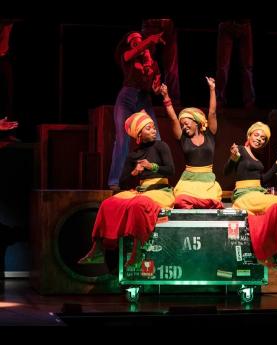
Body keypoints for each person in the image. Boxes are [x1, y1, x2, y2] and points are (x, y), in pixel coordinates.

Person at [79, 111, 175, 266]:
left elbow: (171, 170)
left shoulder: (161, 146)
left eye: (153, 127)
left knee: (138, 205)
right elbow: (122, 182)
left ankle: (138, 253)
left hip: (161, 191)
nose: (154, 130)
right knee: (108, 204)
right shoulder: (133, 155)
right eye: (148, 128)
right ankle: (98, 249)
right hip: (141, 191)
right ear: (139, 134)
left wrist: (152, 166)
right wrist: (134, 172)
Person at [224, 122, 277, 267]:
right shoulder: (240, 150)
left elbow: (261, 180)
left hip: (257, 194)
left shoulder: (257, 157)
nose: (259, 139)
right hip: (245, 195)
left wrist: (276, 165)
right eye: (256, 135)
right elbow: (226, 172)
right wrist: (233, 158)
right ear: (249, 135)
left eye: (263, 138)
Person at [107, 30, 165, 191]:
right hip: (126, 98)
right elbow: (133, 52)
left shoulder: (154, 64)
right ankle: (115, 181)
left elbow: (156, 87)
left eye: (139, 40)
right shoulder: (129, 58)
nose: (137, 44)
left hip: (144, 100)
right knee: (122, 140)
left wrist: (157, 88)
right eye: (134, 41)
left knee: (156, 138)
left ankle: (157, 178)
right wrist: (149, 39)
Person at [160, 76, 223, 209]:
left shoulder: (210, 134)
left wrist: (212, 89)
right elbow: (172, 118)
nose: (184, 127)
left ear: (196, 122)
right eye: (182, 125)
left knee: (213, 201)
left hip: (207, 181)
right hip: (188, 181)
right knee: (180, 200)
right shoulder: (183, 138)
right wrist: (166, 96)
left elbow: (212, 113)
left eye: (186, 123)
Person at [216, 18, 255, 109]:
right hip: (227, 23)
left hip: (244, 23)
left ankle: (249, 102)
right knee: (223, 67)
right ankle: (219, 100)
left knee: (247, 68)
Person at [142, 18, 181, 105]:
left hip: (167, 25)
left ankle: (172, 101)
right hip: (151, 25)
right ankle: (141, 98)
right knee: (145, 60)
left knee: (171, 66)